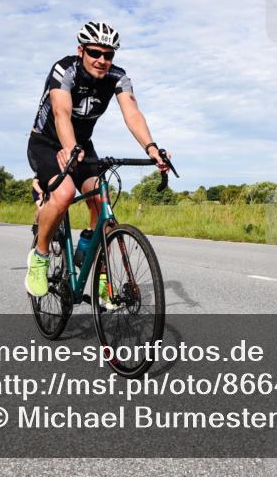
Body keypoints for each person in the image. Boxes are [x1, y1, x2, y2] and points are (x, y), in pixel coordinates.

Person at [24, 21, 169, 297]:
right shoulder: (64, 69)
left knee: (100, 198)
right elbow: (61, 113)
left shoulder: (118, 76)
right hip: (47, 142)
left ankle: (94, 257)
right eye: (95, 53)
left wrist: (152, 148)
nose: (102, 60)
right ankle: (40, 256)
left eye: (109, 54)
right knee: (65, 193)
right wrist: (68, 147)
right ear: (81, 51)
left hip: (82, 145)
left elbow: (133, 113)